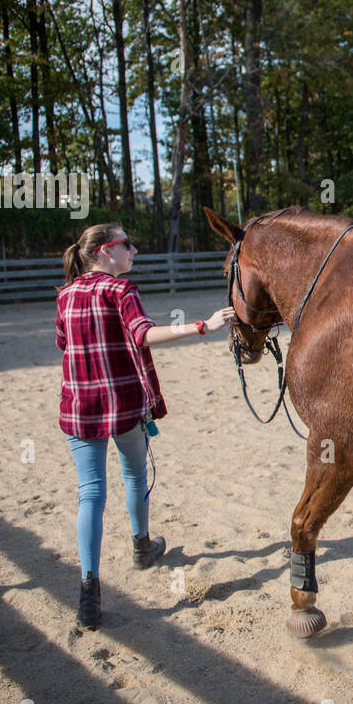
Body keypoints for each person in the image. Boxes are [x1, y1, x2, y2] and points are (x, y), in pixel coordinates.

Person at [55, 223, 236, 628]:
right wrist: (203, 326)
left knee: (90, 495)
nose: (133, 251)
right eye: (126, 245)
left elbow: (64, 345)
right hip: (121, 405)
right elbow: (145, 335)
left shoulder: (64, 296)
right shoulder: (122, 291)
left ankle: (89, 591)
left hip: (79, 408)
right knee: (134, 475)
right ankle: (141, 546)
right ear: (105, 251)